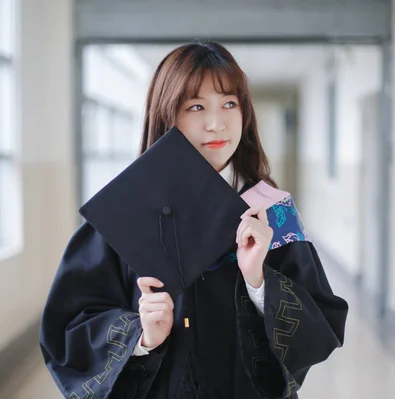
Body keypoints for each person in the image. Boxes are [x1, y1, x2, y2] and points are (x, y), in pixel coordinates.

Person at [39, 42, 348, 399]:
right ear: (166, 115)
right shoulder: (126, 212)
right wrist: (139, 335)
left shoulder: (271, 211)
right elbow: (68, 328)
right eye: (196, 106)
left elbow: (321, 327)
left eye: (230, 104)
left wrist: (260, 282)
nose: (216, 123)